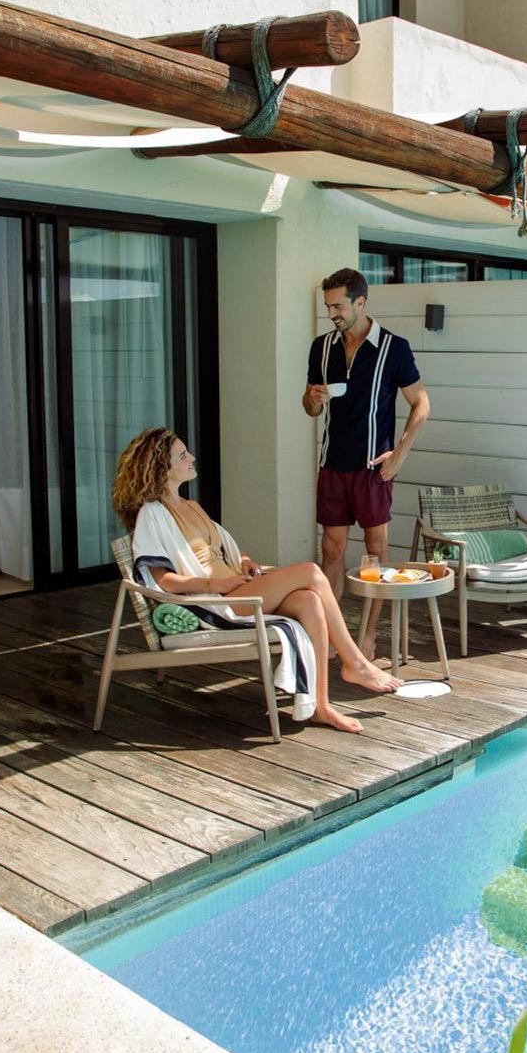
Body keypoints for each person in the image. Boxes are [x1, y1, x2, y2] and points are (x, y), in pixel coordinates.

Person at [111, 427, 403, 735]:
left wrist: (246, 561)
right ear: (162, 467)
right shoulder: (153, 514)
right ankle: (354, 662)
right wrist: (214, 586)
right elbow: (162, 580)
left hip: (239, 589)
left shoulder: (192, 506)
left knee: (310, 600)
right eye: (183, 455)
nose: (192, 457)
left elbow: (227, 549)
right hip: (219, 605)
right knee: (312, 572)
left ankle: (321, 706)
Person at [303, 268, 430, 658]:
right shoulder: (321, 347)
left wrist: (401, 453)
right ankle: (333, 634)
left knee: (376, 550)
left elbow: (420, 404)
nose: (332, 313)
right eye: (328, 306)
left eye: (338, 305)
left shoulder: (394, 347)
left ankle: (370, 635)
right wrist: (313, 399)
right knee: (332, 550)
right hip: (333, 465)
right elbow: (308, 406)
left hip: (374, 467)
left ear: (361, 301)